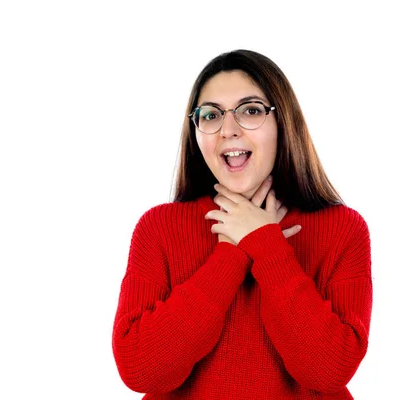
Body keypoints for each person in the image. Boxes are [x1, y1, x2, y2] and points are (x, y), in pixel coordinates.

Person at [112, 49, 373, 400]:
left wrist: (266, 245)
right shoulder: (158, 227)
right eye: (211, 115)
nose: (228, 130)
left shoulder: (343, 229)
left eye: (250, 111)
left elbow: (326, 371)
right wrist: (232, 254)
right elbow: (141, 370)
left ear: (284, 122)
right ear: (196, 132)